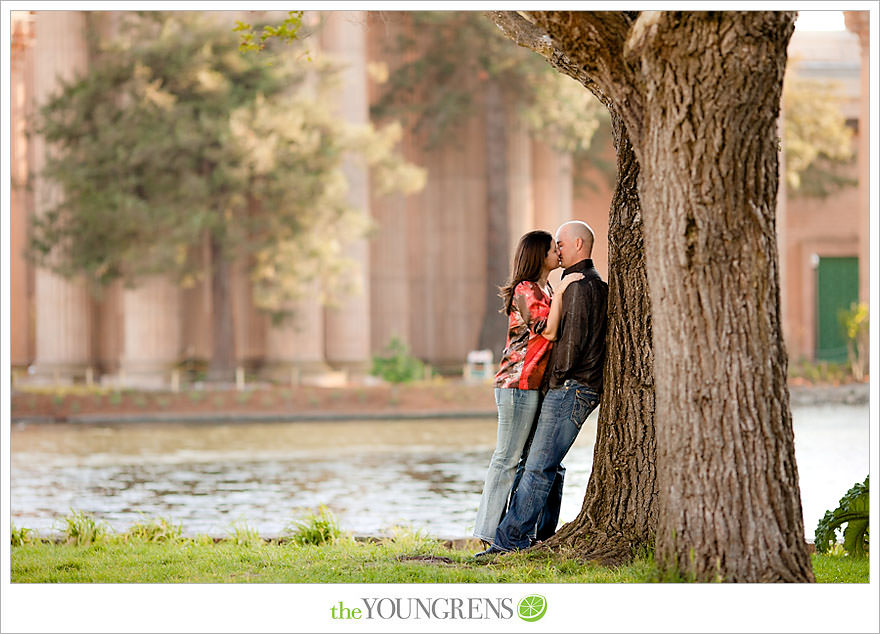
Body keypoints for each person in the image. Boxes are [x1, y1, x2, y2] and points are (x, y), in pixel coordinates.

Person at [477, 220, 608, 555]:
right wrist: (563, 291)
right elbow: (550, 333)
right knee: (512, 460)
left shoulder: (563, 288)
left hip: (548, 385)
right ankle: (494, 534)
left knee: (538, 464)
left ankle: (525, 536)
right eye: (553, 248)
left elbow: (565, 340)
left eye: (560, 245)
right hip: (518, 383)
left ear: (577, 244)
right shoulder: (534, 289)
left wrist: (557, 380)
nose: (557, 252)